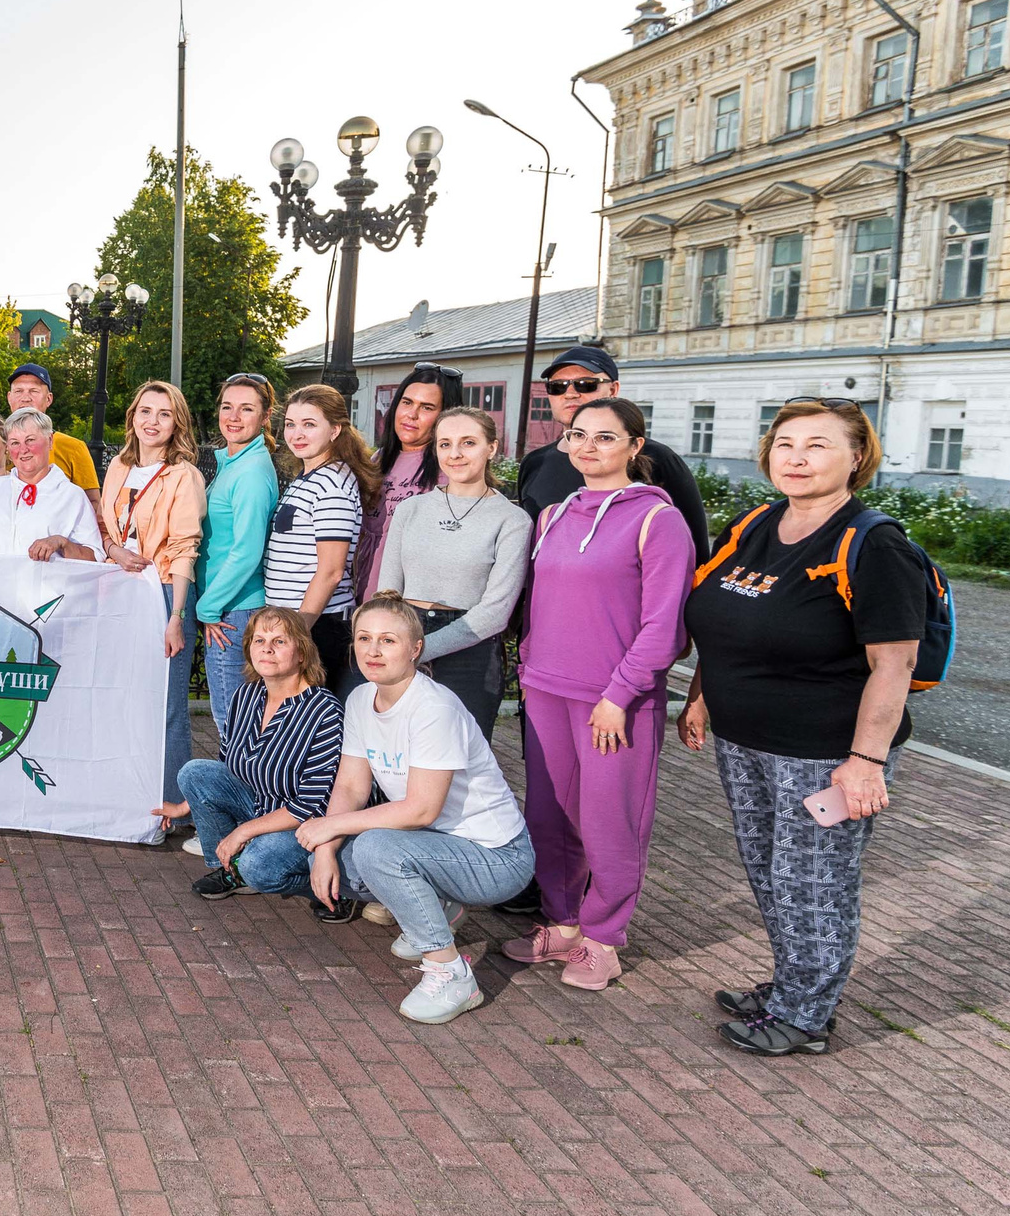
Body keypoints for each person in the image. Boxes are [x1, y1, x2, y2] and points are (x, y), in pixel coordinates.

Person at [679, 399, 927, 1057]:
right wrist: (701, 694)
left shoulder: (873, 543)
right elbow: (722, 617)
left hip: (826, 754)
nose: (796, 456)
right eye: (785, 442)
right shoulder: (756, 524)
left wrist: (866, 760)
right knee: (769, 871)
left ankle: (808, 1014)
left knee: (814, 880)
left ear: (857, 458)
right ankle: (792, 983)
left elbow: (895, 662)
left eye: (817, 445)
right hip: (744, 739)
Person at [502, 397, 696, 992]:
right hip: (546, 690)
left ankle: (605, 937)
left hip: (615, 701)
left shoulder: (657, 520)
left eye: (605, 437)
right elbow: (539, 604)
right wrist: (529, 669)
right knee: (549, 815)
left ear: (635, 447)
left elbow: (666, 626)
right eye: (578, 435)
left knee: (610, 821)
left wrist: (621, 693)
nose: (588, 447)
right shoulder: (554, 515)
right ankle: (561, 923)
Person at [297, 594, 536, 1025]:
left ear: (416, 649)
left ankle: (453, 975)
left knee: (374, 851)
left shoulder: (433, 708)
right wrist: (326, 848)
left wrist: (328, 827)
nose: (373, 650)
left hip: (498, 857)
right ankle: (441, 907)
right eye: (364, 638)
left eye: (388, 640)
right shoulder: (360, 700)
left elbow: (423, 810)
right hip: (439, 846)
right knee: (345, 864)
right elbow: (351, 784)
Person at [374, 406, 532, 739]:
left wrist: (419, 651)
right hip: (405, 632)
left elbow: (496, 612)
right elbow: (387, 592)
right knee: (397, 752)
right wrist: (392, 643)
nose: (455, 454)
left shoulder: (512, 520)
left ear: (492, 447)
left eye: (468, 443)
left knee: (461, 759)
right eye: (445, 444)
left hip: (470, 650)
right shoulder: (411, 509)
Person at [173, 606, 345, 896]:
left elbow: (311, 805)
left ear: (302, 653)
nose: (267, 649)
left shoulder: (324, 710)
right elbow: (226, 764)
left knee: (258, 867)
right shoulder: (247, 694)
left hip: (305, 823)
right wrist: (184, 806)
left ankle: (334, 889)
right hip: (260, 805)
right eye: (259, 640)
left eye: (279, 641)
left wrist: (243, 832)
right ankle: (230, 870)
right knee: (195, 772)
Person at [98, 380, 207, 821]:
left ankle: (173, 806)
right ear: (132, 417)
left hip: (164, 591)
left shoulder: (184, 475)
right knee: (126, 696)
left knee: (167, 706)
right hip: (122, 590)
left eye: (164, 414)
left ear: (176, 422)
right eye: (145, 411)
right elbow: (106, 531)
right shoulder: (118, 468)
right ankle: (129, 791)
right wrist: (113, 550)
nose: (152, 421)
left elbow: (184, 547)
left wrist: (176, 616)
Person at [517, 346, 710, 558]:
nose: (570, 393)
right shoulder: (535, 463)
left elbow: (694, 549)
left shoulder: (656, 458)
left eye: (586, 384)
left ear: (613, 389)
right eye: (557, 387)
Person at [264, 385, 379, 700]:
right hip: (293, 623)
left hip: (314, 626)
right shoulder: (310, 477)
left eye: (309, 424)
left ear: (335, 430)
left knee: (304, 728)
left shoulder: (332, 485)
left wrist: (297, 633)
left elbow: (331, 571)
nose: (297, 433)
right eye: (290, 424)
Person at [194, 374, 284, 741]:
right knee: (235, 718)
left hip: (232, 611)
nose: (233, 416)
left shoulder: (249, 472)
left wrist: (208, 608)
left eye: (246, 409)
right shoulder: (234, 462)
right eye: (227, 406)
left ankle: (237, 798)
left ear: (265, 417)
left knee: (230, 721)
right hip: (228, 606)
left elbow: (247, 551)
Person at [358, 365, 463, 599]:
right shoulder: (380, 458)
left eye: (426, 407)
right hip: (361, 596)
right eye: (407, 402)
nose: (411, 415)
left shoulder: (449, 470)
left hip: (407, 605)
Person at [0, 410, 99, 560]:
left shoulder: (71, 495)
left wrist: (62, 543)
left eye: (30, 440)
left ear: (49, 441)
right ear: (8, 447)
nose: (23, 449)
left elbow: (95, 555)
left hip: (47, 590)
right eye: (15, 443)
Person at [5, 364, 98, 510]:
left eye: (33, 391)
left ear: (48, 399)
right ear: (9, 398)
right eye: (18, 391)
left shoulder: (73, 447)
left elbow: (93, 502)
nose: (25, 398)